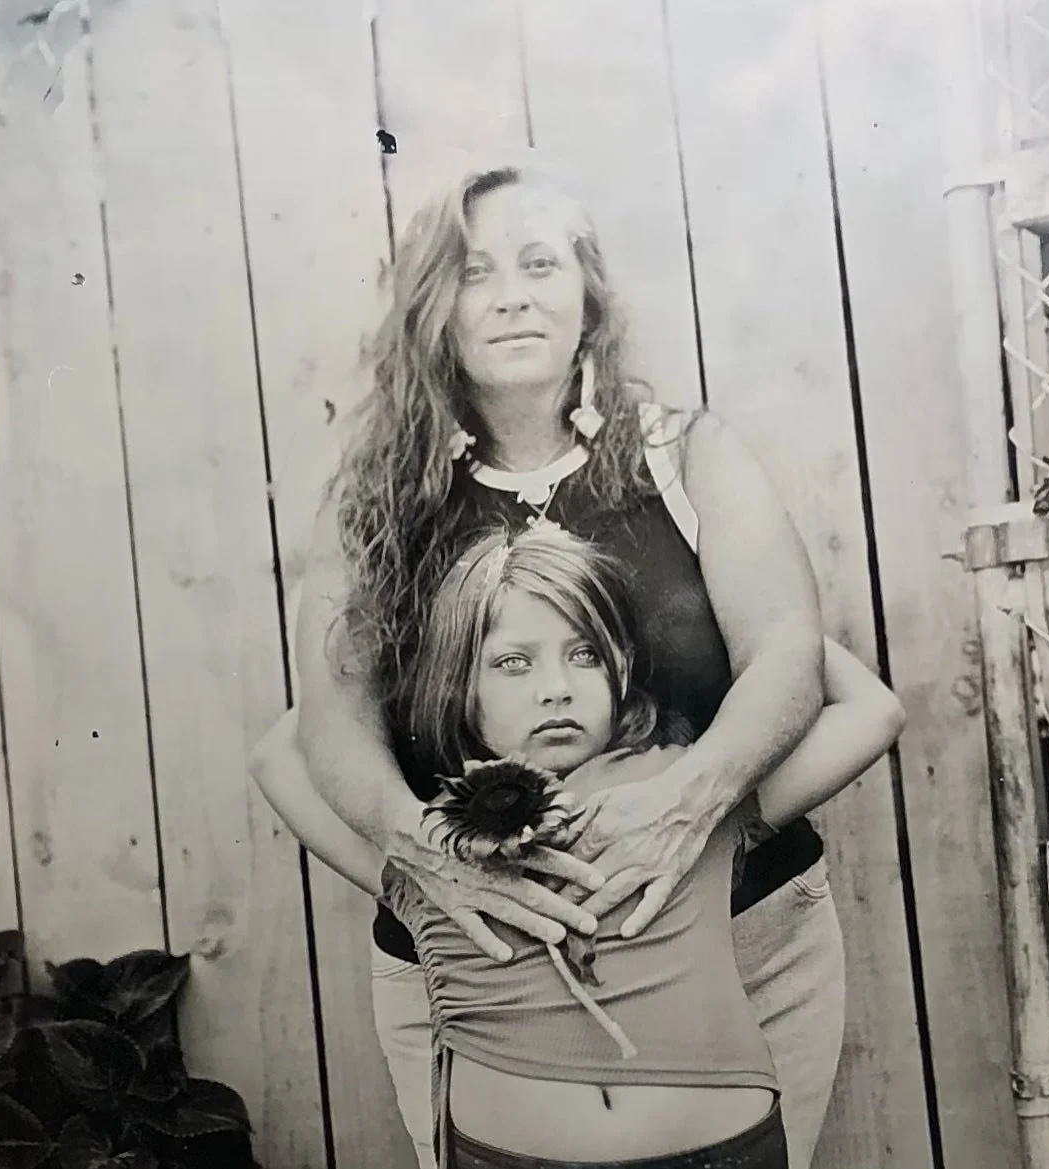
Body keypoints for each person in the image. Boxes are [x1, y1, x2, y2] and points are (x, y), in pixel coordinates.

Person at [250, 162, 878, 1168]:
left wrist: (686, 807)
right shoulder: (376, 500)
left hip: (733, 938)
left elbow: (788, 657)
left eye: (540, 263)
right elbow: (326, 724)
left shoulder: (684, 456)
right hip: (481, 972)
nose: (511, 295)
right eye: (475, 271)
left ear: (587, 294)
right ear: (432, 308)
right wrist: (421, 864)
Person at [380, 524, 904, 1169]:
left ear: (621, 668)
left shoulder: (686, 792)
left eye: (585, 654)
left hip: (718, 1153)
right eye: (513, 662)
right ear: (459, 683)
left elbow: (873, 712)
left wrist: (748, 621)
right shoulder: (430, 836)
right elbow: (285, 754)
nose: (556, 687)